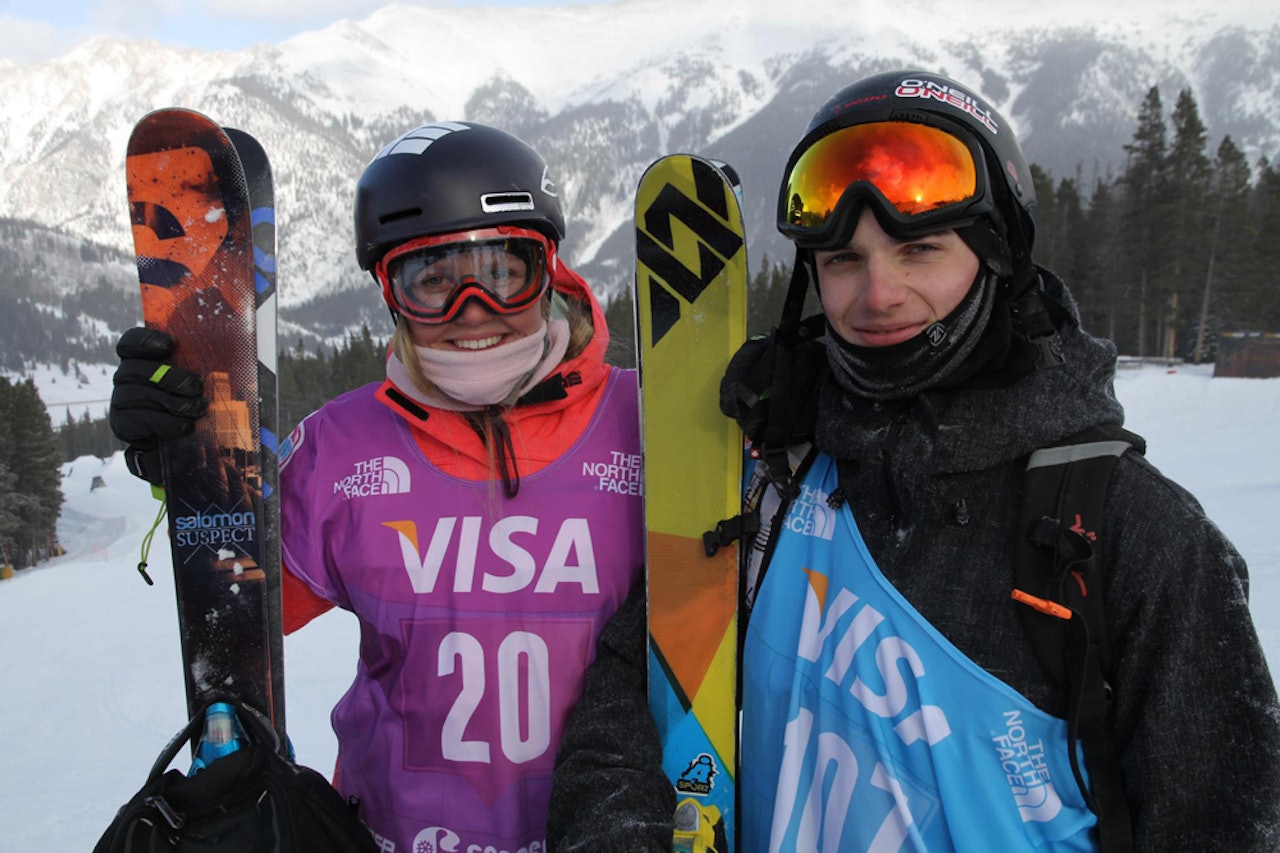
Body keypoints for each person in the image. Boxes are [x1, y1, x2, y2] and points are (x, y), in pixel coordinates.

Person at [549, 70, 1280, 851]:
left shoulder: (1127, 537)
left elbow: (1228, 823)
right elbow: (629, 702)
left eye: (919, 249)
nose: (877, 293)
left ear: (998, 254)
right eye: (843, 261)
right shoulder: (771, 480)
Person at [109, 121, 673, 853]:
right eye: (430, 278)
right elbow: (241, 608)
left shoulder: (648, 424)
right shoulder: (343, 450)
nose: (472, 307)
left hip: (607, 833)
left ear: (553, 269)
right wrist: (190, 466)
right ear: (388, 291)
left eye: (505, 269)